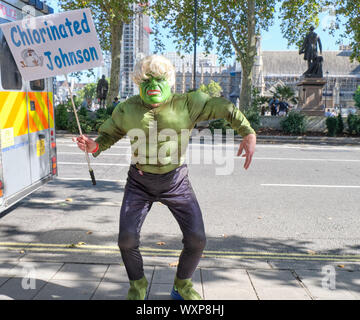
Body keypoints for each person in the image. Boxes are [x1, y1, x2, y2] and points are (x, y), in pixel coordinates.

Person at [73, 55, 256, 300]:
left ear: (169, 80)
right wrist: (94, 146)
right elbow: (110, 134)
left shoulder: (188, 103)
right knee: (126, 240)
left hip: (175, 182)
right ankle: (137, 287)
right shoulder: (127, 108)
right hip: (139, 182)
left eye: (158, 80)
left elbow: (224, 107)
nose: (153, 86)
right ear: (138, 83)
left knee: (197, 239)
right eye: (146, 81)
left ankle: (182, 286)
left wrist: (248, 131)